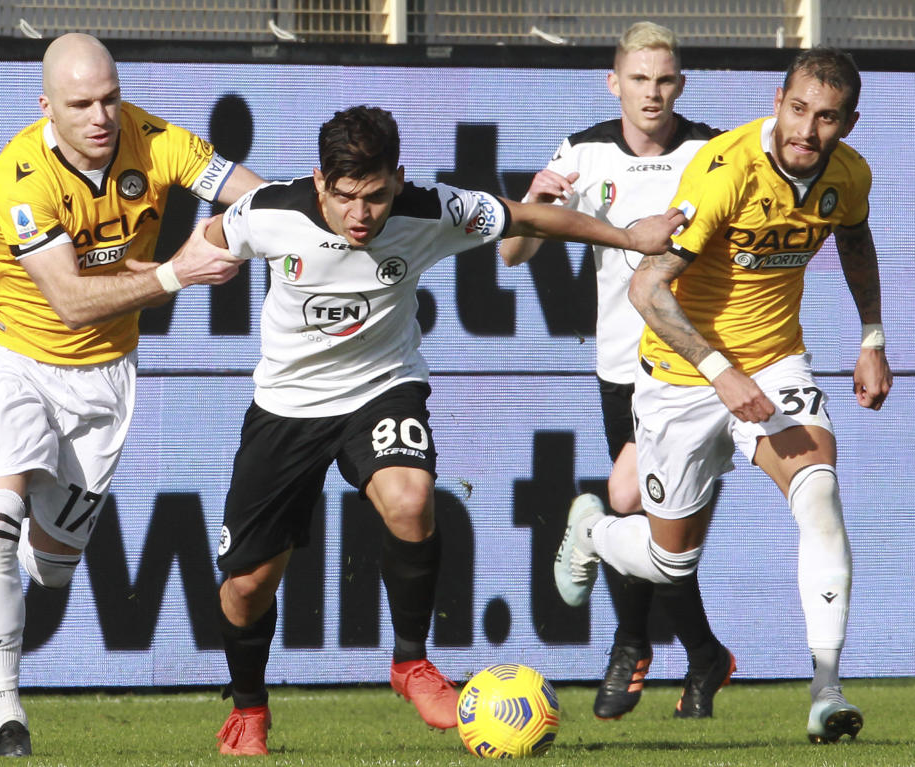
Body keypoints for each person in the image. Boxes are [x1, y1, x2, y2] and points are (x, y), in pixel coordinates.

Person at [199, 105, 685, 756]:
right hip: (287, 406)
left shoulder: (433, 210)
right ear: (320, 184)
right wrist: (183, 270)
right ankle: (251, 705)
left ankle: (410, 661)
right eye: (345, 197)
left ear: (397, 179)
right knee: (248, 586)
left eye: (375, 196)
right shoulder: (267, 212)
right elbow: (202, 244)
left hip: (382, 385)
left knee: (411, 497)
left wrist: (632, 237)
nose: (361, 214)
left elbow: (530, 216)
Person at [555, 47, 890, 744]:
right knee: (670, 559)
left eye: (827, 118)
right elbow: (646, 287)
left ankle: (826, 692)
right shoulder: (724, 171)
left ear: (848, 122)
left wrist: (871, 337)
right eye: (798, 110)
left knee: (820, 492)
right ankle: (592, 529)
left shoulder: (849, 175)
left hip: (773, 364)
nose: (808, 130)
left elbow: (854, 240)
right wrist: (716, 369)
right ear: (778, 101)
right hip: (681, 376)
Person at [0, 32, 263, 757]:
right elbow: (66, 299)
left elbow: (253, 197)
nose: (100, 117)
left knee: (55, 566)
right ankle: (7, 717)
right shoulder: (22, 176)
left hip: (103, 379)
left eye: (109, 98)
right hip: (13, 354)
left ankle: (17, 571)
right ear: (46, 107)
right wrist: (177, 272)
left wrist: (302, 222)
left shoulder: (157, 141)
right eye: (80, 104)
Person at [500, 21, 734, 722]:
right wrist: (534, 202)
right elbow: (511, 256)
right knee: (656, 523)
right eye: (639, 79)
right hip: (622, 370)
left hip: (697, 365)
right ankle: (696, 651)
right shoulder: (583, 153)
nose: (652, 93)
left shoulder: (712, 153)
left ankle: (636, 644)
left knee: (639, 508)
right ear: (615, 83)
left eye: (664, 80)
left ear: (681, 85)